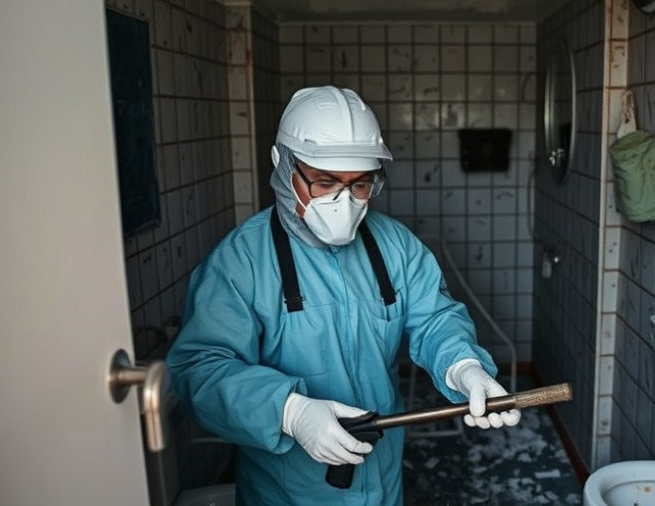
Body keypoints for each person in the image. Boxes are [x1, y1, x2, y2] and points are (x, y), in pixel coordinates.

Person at [165, 85, 520, 505]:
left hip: (383, 477)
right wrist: (289, 412)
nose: (344, 201)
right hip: (288, 490)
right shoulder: (240, 262)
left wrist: (463, 367)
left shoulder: (395, 246)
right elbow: (199, 369)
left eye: (360, 185)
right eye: (325, 182)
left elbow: (435, 318)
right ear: (283, 168)